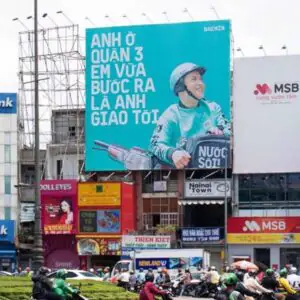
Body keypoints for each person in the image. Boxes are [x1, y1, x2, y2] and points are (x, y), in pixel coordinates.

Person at [149, 62, 230, 169]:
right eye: (194, 79)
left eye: (201, 79)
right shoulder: (170, 115)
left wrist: (221, 133)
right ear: (180, 86)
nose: (200, 83)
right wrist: (172, 153)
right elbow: (155, 144)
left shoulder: (213, 108)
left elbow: (231, 132)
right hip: (181, 173)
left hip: (215, 170)